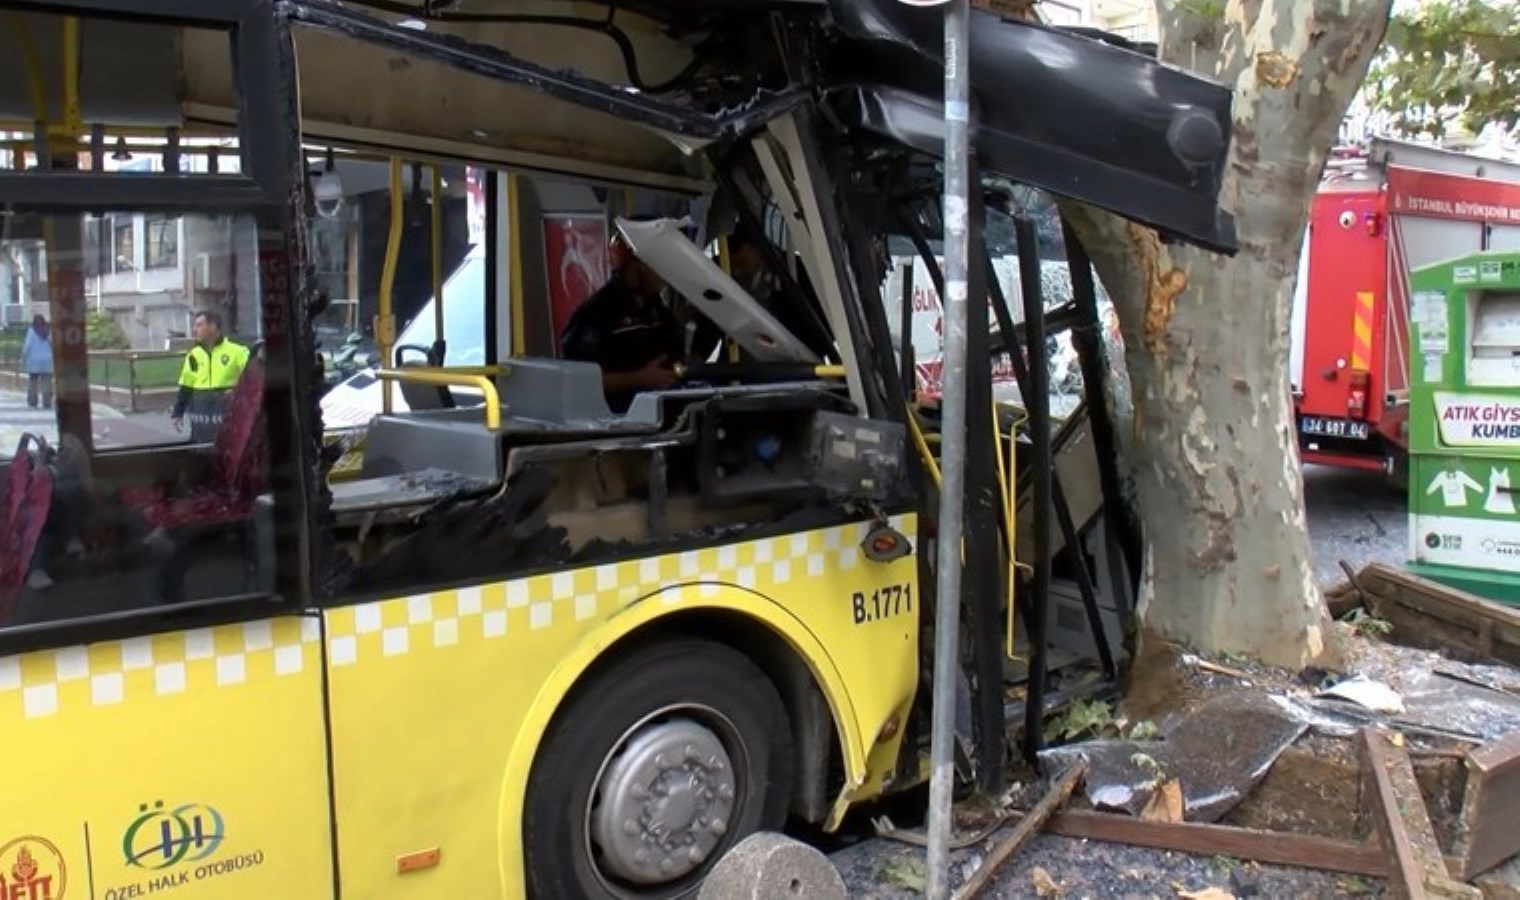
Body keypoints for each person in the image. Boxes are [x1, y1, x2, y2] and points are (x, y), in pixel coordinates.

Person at [559, 232, 687, 414]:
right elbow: (577, 381)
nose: (664, 275)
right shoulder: (596, 313)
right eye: (658, 266)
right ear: (634, 266)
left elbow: (675, 358)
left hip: (665, 418)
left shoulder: (659, 311)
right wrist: (639, 378)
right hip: (617, 424)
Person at [170, 310, 251, 442]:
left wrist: (238, 391)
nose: (194, 329)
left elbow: (254, 377)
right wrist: (178, 412)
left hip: (228, 419)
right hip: (202, 419)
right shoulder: (193, 355)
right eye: (195, 325)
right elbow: (186, 385)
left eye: (199, 325)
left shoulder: (238, 352)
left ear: (213, 326)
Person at [20, 314, 52, 409]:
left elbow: (27, 346)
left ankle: (32, 401)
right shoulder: (48, 331)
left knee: (33, 381)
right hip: (47, 360)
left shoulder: (31, 331)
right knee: (46, 381)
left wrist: (23, 358)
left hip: (33, 361)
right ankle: (47, 401)